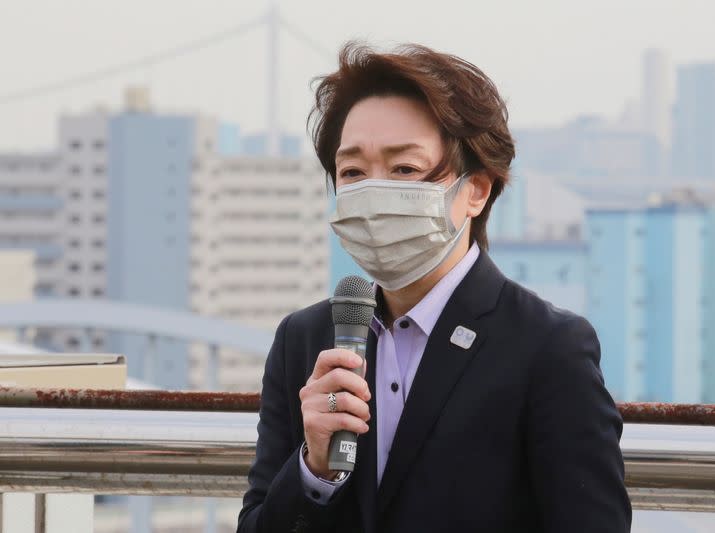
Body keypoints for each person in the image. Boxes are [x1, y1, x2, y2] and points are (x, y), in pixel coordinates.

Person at [237, 43, 631, 533]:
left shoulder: (547, 347)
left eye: (404, 169)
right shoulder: (305, 339)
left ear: (477, 190)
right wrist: (313, 471)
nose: (373, 193)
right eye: (353, 172)